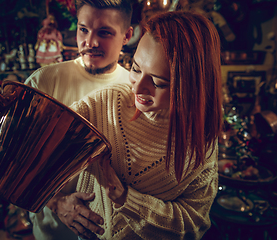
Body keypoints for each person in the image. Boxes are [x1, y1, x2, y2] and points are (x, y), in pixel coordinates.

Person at [0, 0, 133, 239]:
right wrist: (58, 202)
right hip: (51, 232)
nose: (90, 42)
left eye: (104, 32)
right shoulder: (45, 81)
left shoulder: (135, 90)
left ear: (127, 35)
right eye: (83, 29)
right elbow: (7, 148)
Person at [46, 10, 223, 240]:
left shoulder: (202, 140)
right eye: (136, 69)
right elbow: (38, 147)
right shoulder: (105, 103)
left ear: (191, 85)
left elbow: (193, 223)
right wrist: (57, 201)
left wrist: (122, 196)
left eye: (158, 82)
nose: (137, 89)